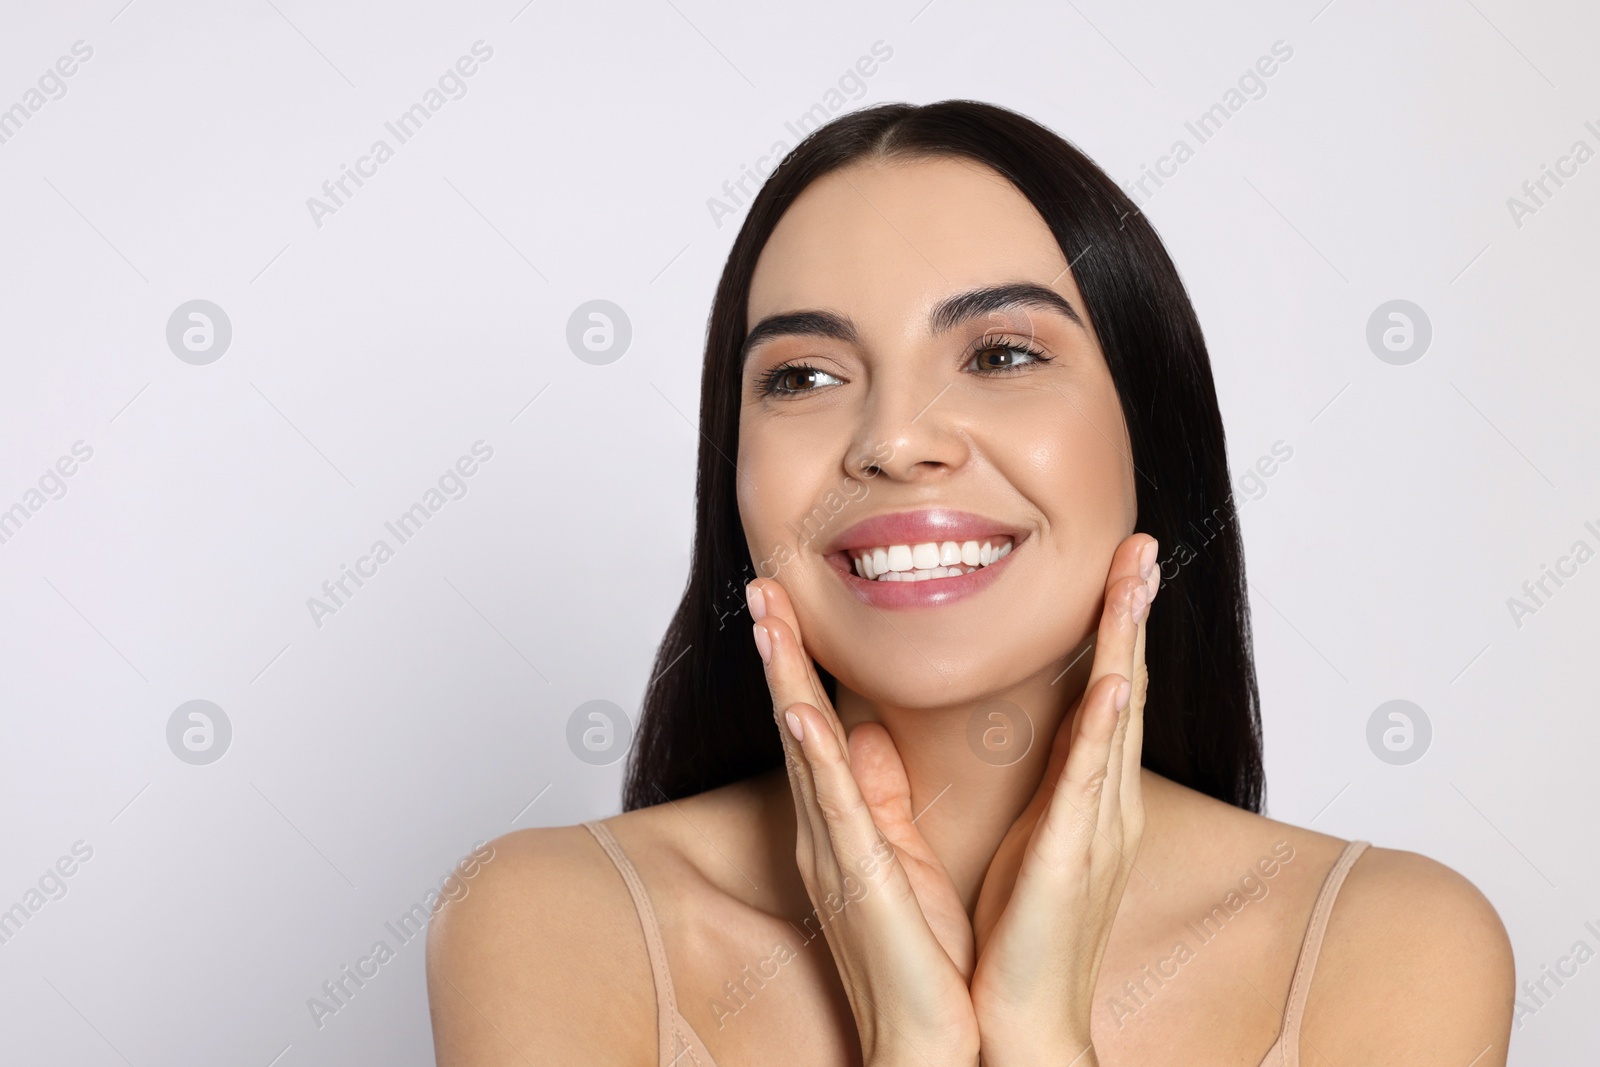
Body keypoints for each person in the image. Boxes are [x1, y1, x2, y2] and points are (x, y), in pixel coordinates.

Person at [427, 101, 1514, 1066]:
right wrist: (914, 1042)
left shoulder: (1390, 945)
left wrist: (1039, 1038)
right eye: (803, 375)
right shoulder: (549, 925)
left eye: (998, 355)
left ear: (1149, 432)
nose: (893, 441)